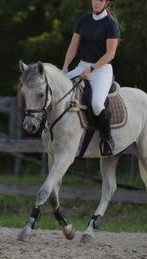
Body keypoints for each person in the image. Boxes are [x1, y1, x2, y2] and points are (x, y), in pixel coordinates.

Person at [62, 0, 120, 156]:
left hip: (101, 70)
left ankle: (107, 139)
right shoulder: (83, 20)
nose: (96, 2)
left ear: (106, 2)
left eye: (100, 0)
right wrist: (65, 67)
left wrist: (92, 68)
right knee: (58, 90)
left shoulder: (110, 24)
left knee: (96, 104)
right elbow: (73, 47)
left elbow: (110, 54)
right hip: (82, 67)